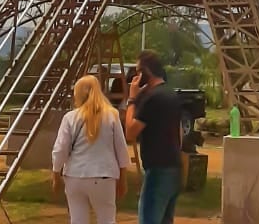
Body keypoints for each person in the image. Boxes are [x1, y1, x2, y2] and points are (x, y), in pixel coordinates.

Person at [52, 73, 130, 224]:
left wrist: (56, 173)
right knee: (107, 219)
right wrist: (123, 179)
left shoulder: (70, 117)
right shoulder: (112, 115)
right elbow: (121, 149)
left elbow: (60, 149)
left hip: (74, 176)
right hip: (104, 176)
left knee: (78, 220)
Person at [125, 51, 182, 224]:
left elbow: (130, 132)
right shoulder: (173, 95)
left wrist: (132, 99)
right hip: (174, 167)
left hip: (157, 170)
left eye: (137, 72)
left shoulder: (152, 99)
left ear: (144, 72)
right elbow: (180, 133)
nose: (135, 77)